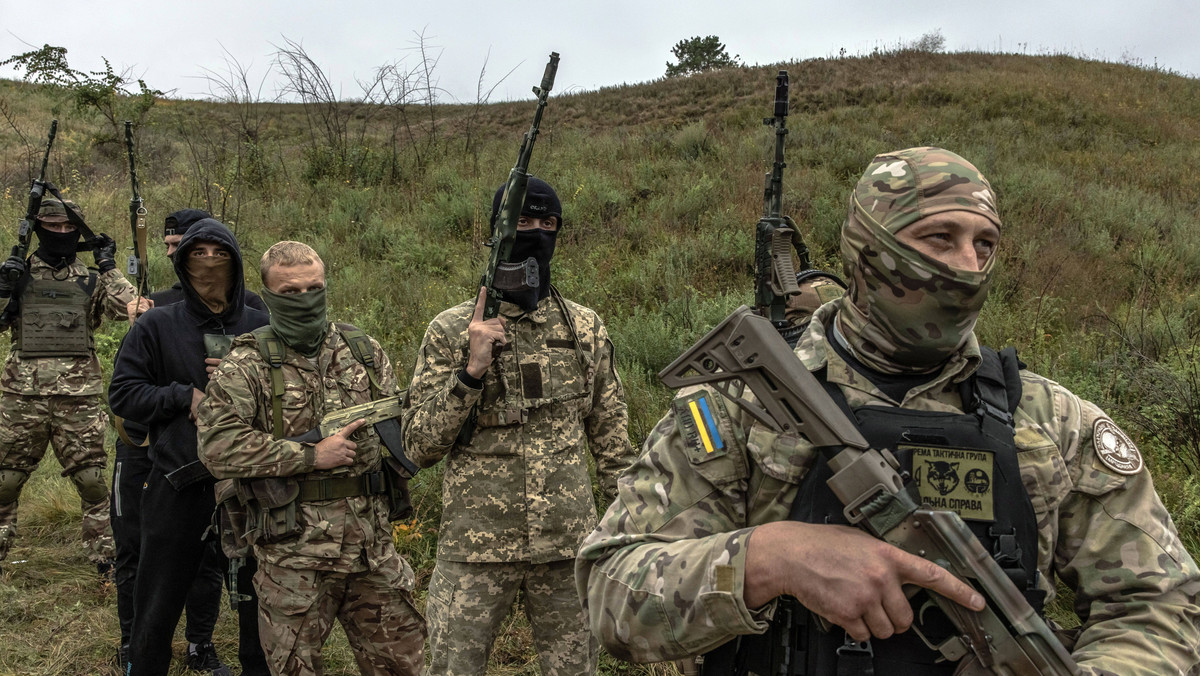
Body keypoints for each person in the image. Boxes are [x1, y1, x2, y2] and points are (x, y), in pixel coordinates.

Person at [576, 147, 1200, 675]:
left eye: (985, 244)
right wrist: (769, 560)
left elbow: (1160, 603)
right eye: (939, 238)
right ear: (866, 252)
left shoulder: (1054, 421)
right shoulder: (744, 404)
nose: (967, 265)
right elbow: (611, 594)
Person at [404, 177, 633, 675]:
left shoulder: (585, 327)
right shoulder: (450, 329)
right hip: (475, 547)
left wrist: (620, 537)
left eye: (545, 223)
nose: (534, 232)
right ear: (497, 232)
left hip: (568, 546)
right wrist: (470, 372)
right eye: (521, 222)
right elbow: (419, 445)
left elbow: (614, 442)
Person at [196, 241, 425, 676]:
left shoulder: (363, 351)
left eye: (313, 288)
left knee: (402, 665)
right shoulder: (245, 364)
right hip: (293, 558)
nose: (305, 299)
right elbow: (216, 447)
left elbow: (401, 423)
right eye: (290, 292)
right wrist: (309, 455)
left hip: (371, 551)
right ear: (266, 295)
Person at [111, 208, 269, 674]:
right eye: (197, 253)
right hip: (178, 478)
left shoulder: (261, 324)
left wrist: (247, 375)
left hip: (250, 483)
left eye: (220, 253)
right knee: (157, 598)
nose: (208, 262)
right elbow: (122, 392)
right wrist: (185, 395)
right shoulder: (157, 324)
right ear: (181, 262)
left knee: (255, 598)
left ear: (237, 262)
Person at [0, 197, 148, 577]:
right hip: (21, 395)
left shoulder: (92, 279)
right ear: (38, 229)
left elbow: (137, 312)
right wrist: (4, 287)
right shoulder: (17, 274)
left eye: (69, 228)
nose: (61, 234)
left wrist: (110, 267)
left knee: (92, 481)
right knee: (6, 479)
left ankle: (104, 559)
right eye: (53, 227)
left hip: (78, 398)